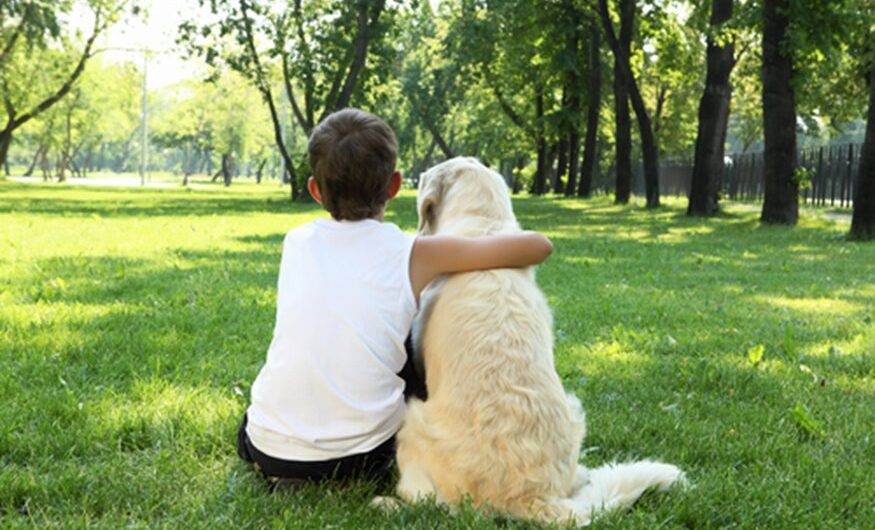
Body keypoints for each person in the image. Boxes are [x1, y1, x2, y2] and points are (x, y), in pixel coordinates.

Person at [237, 108, 553, 488]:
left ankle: (290, 454)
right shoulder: (413, 253)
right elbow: (537, 246)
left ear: (315, 190)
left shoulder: (296, 242)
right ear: (395, 185)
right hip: (362, 460)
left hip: (268, 450)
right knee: (409, 333)